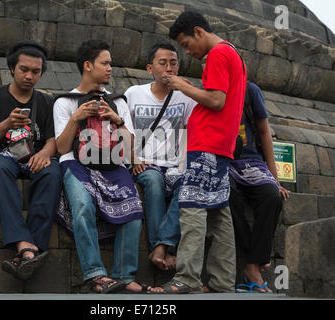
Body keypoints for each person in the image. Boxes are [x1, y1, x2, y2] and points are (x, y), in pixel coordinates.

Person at [150, 11, 247, 293]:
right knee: (218, 213)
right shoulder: (232, 53)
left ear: (198, 32)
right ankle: (221, 282)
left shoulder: (217, 54)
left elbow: (216, 100)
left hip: (206, 144)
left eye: (185, 43)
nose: (186, 51)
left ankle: (186, 279)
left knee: (192, 209)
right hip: (221, 145)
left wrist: (181, 85)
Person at [53, 40, 147, 293]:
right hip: (76, 162)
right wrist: (76, 118)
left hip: (112, 163)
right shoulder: (65, 102)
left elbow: (130, 147)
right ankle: (95, 275)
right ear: (87, 65)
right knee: (82, 206)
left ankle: (124, 276)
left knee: (134, 209)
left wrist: (117, 120)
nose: (110, 68)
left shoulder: (118, 102)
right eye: (105, 63)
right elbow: (61, 148)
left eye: (110, 63)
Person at [0, 40, 62, 280]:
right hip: (3, 156)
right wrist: (6, 124)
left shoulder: (46, 102)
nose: (30, 76)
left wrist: (45, 153)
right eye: (24, 69)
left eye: (36, 71)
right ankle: (26, 245)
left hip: (36, 157)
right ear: (12, 68)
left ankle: (29, 250)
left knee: (52, 173)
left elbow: (53, 139)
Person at [124, 43, 196, 271]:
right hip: (145, 162)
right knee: (153, 183)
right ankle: (161, 246)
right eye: (162, 63)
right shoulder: (134, 94)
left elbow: (191, 131)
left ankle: (161, 246)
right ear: (149, 68)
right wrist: (134, 157)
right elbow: (124, 130)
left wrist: (184, 164)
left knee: (187, 184)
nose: (169, 68)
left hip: (175, 163)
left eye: (173, 63)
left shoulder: (187, 96)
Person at [229, 82, 290, 293]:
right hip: (224, 161)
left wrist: (275, 179)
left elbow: (264, 133)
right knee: (226, 194)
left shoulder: (249, 91)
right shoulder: (207, 90)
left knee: (272, 196)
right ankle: (254, 256)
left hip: (251, 161)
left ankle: (252, 265)